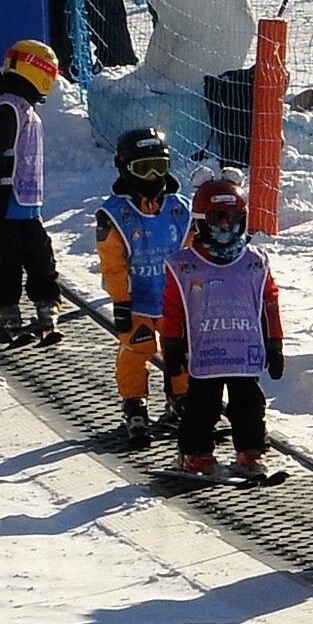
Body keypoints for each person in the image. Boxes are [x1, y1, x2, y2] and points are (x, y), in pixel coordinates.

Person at [160, 175, 286, 485]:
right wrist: (172, 346)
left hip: (243, 351)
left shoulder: (255, 262)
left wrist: (274, 343)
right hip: (206, 352)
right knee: (201, 406)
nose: (226, 227)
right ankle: (196, 453)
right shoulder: (184, 265)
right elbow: (173, 309)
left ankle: (250, 452)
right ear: (202, 222)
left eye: (232, 219)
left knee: (249, 405)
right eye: (218, 219)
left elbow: (269, 303)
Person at [94, 125, 190, 447]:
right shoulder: (116, 215)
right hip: (138, 302)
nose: (152, 177)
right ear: (125, 169)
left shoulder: (179, 210)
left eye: (159, 167)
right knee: (136, 352)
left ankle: (181, 399)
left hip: (174, 302)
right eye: (142, 168)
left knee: (180, 351)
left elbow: (192, 253)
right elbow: (113, 263)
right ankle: (134, 404)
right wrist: (121, 301)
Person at [0, 39, 63, 347]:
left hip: (24, 199)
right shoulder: (6, 106)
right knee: (7, 254)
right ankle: (6, 305)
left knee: (38, 250)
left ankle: (46, 300)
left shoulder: (21, 106)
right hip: (2, 196)